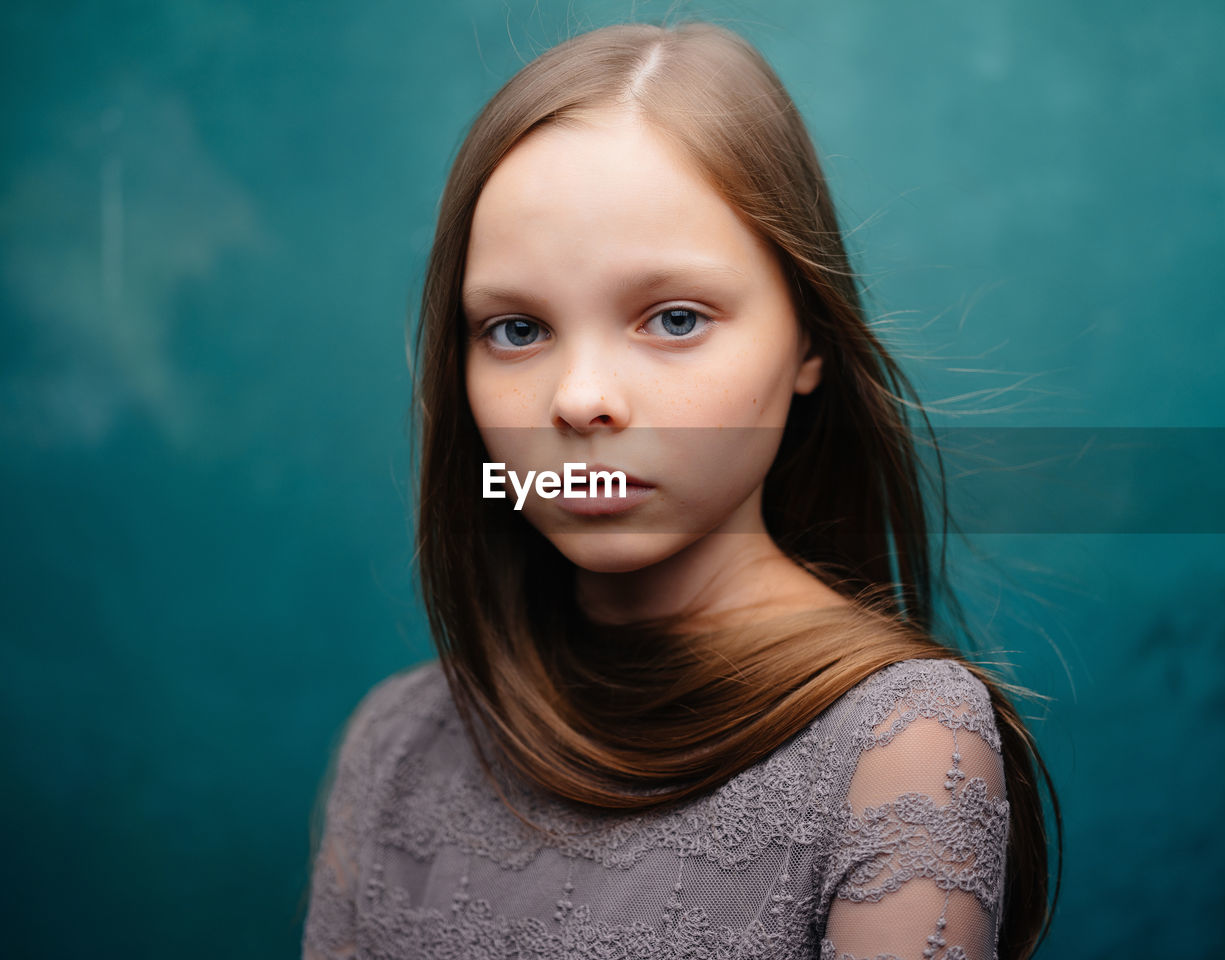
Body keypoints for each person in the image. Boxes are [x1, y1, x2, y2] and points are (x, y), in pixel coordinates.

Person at [302, 19, 1060, 960]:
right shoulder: (395, 746)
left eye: (673, 318)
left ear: (809, 341)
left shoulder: (900, 745)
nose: (580, 401)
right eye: (516, 331)